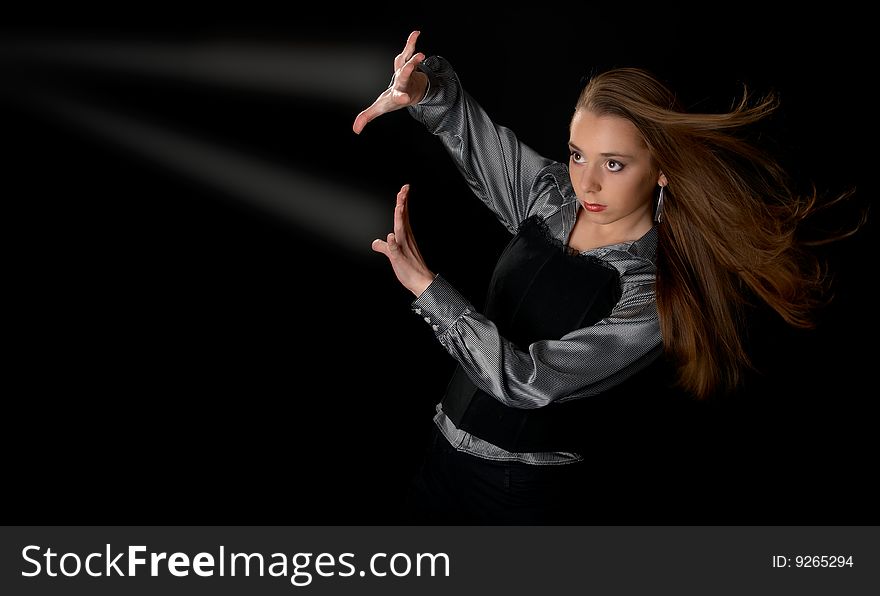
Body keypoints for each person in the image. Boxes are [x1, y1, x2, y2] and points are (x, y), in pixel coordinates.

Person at [352, 31, 862, 524]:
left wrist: (428, 290)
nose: (587, 181)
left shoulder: (653, 291)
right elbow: (470, 131)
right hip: (439, 460)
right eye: (578, 154)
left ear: (661, 168)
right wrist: (424, 90)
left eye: (614, 164)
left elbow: (529, 382)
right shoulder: (550, 197)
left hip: (516, 499)